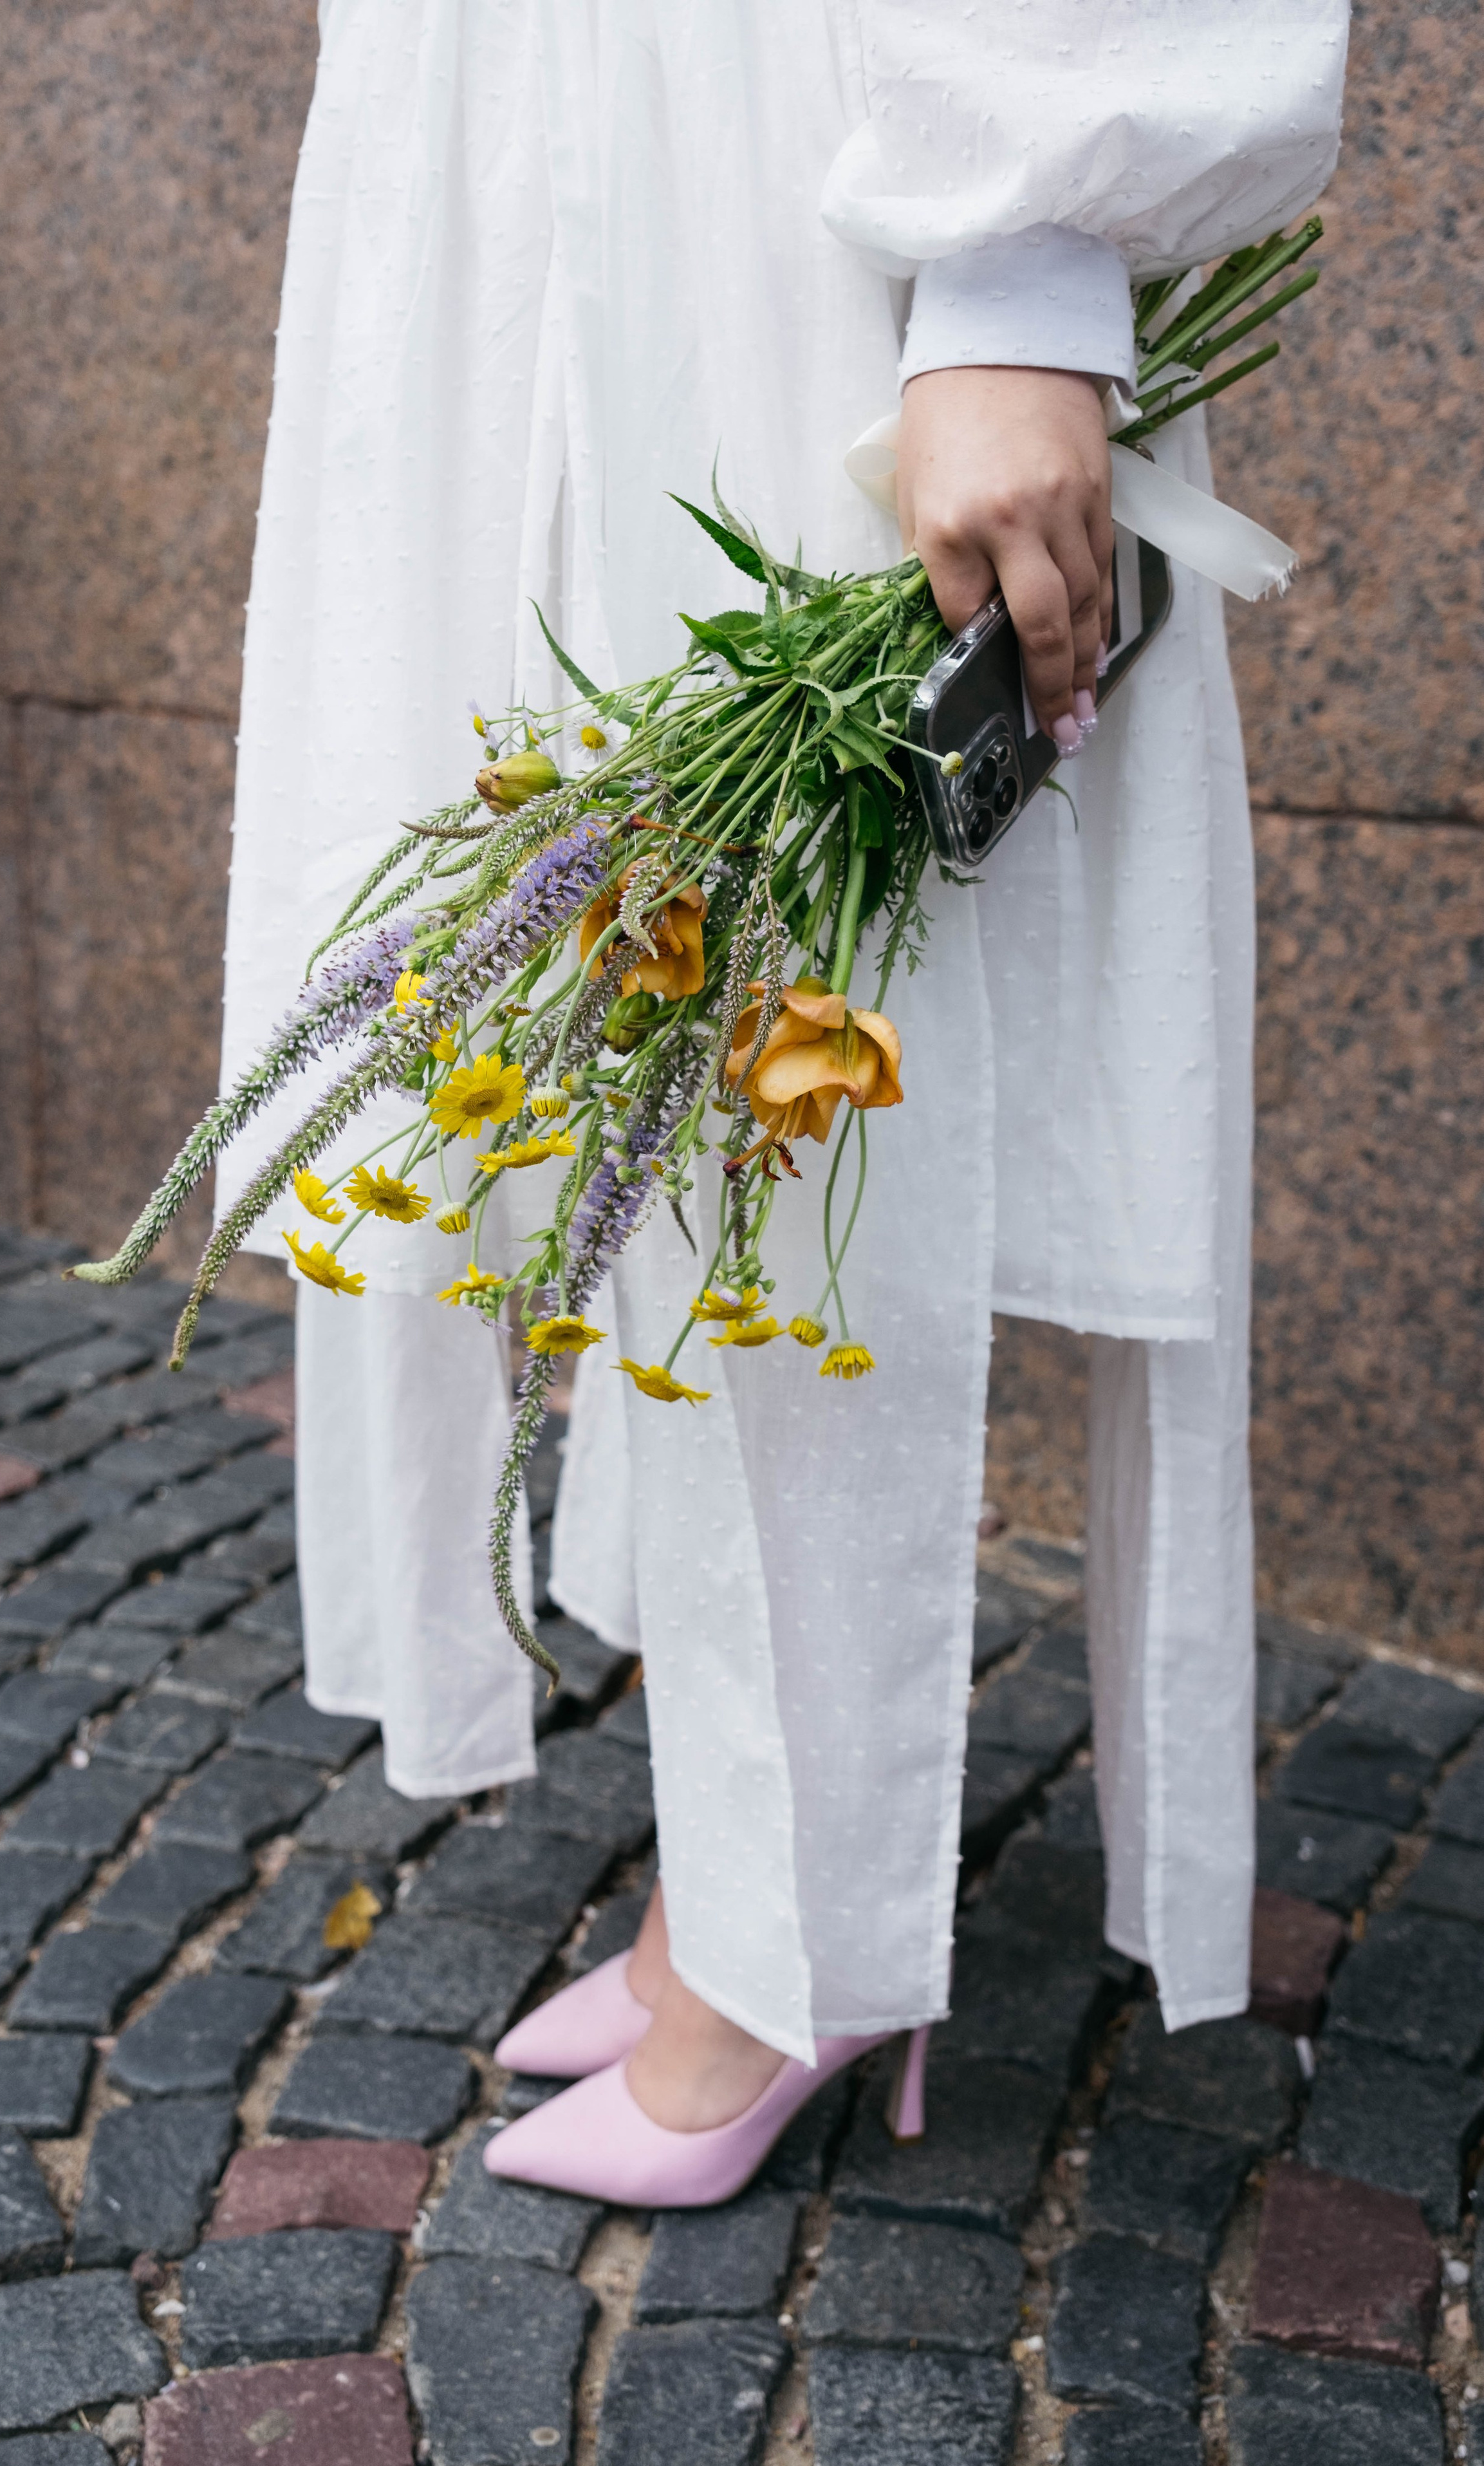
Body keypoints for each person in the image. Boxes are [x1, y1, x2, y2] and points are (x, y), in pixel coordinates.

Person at [215, 1, 1350, 2201]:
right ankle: (737, 1881)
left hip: (766, 137)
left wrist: (1020, 270)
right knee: (632, 1048)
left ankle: (799, 1940)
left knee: (794, 1053)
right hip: (502, 138)